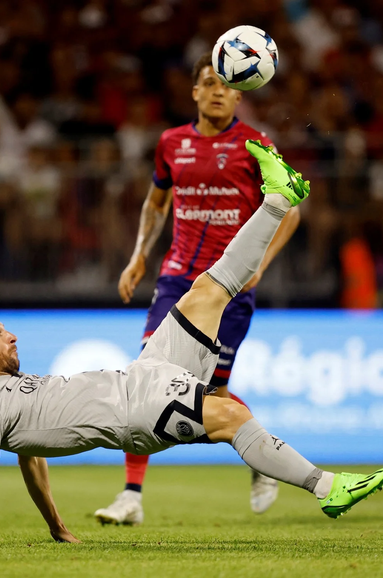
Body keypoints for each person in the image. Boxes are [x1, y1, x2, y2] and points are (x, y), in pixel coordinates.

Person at [0, 141, 383, 549]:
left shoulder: (17, 394)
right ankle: (327, 488)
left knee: (206, 291)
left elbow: (32, 462)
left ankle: (277, 199)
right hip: (135, 413)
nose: (12, 334)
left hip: (141, 374)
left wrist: (57, 528)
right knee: (231, 414)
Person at [95, 52, 302, 525]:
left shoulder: (256, 144)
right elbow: (156, 202)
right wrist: (138, 254)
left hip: (229, 286)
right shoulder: (171, 143)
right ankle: (131, 496)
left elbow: (290, 209)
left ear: (238, 93)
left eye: (227, 85)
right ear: (195, 92)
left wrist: (261, 264)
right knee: (146, 379)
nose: (217, 91)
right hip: (177, 278)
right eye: (208, 82)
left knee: (214, 390)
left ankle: (261, 452)